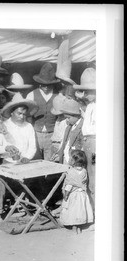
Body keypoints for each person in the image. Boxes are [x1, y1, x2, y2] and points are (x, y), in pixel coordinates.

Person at [0, 93, 38, 223]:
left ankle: (27, 207)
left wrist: (26, 157)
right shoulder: (4, 126)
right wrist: (6, 149)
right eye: (19, 113)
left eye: (24, 114)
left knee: (33, 179)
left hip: (25, 163)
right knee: (1, 180)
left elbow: (32, 147)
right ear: (12, 112)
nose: (22, 116)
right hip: (7, 162)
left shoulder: (28, 126)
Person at [26, 62, 60, 161]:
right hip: (36, 134)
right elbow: (27, 117)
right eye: (43, 84)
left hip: (52, 135)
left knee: (50, 163)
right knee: (35, 162)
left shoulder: (58, 97)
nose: (45, 87)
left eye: (48, 85)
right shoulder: (31, 95)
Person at [73, 68, 96, 213]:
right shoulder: (90, 105)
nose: (85, 94)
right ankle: (91, 210)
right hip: (88, 143)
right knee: (89, 175)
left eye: (88, 91)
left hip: (95, 144)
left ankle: (96, 212)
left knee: (94, 176)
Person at [58, 150, 94, 233]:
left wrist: (66, 195)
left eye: (70, 159)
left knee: (73, 211)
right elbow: (83, 182)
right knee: (80, 210)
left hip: (73, 195)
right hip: (82, 195)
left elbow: (69, 185)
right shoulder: (84, 171)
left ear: (73, 161)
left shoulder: (71, 172)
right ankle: (79, 227)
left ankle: (74, 227)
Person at [52, 98, 84, 165]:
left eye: (68, 118)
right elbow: (64, 144)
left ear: (76, 116)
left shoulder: (82, 128)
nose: (67, 120)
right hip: (65, 158)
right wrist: (59, 154)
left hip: (74, 161)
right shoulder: (69, 126)